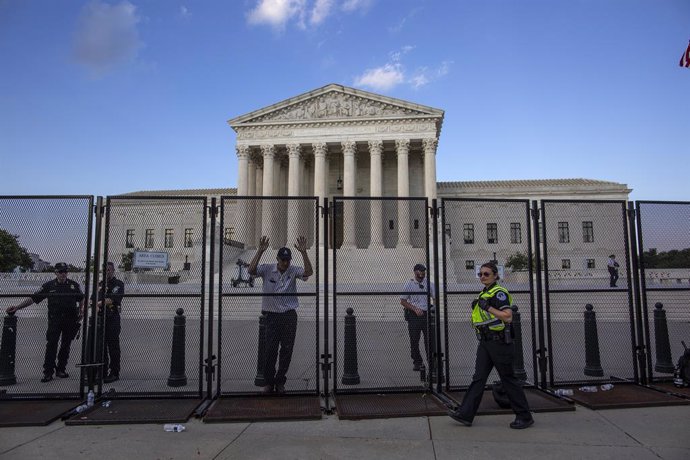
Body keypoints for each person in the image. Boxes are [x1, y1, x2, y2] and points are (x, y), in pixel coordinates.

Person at [448, 261, 534, 429]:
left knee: (508, 380)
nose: (482, 277)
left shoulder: (499, 292)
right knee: (478, 378)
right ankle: (465, 414)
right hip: (486, 342)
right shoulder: (485, 293)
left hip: (499, 342)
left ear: (495, 275)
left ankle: (524, 416)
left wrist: (488, 308)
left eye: (486, 274)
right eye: (480, 274)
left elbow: (508, 317)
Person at [248, 235, 313, 394]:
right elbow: (251, 270)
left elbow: (308, 272)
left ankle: (280, 381)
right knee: (270, 350)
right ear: (277, 259)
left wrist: (304, 253)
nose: (285, 263)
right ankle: (269, 382)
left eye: (287, 260)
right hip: (271, 316)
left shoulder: (293, 270)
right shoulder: (267, 269)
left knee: (286, 350)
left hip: (289, 316)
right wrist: (260, 251)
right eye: (283, 260)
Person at [6, 262, 85, 382]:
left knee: (65, 346)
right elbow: (33, 298)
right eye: (61, 272)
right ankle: (48, 372)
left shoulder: (73, 286)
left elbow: (81, 298)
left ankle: (61, 370)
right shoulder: (49, 286)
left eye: (65, 271)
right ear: (56, 273)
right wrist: (17, 307)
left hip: (70, 320)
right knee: (51, 345)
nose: (63, 274)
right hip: (55, 321)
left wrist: (81, 312)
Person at [400, 263, 436, 372]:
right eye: (420, 272)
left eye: (423, 272)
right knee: (414, 340)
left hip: (426, 314)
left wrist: (433, 308)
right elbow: (403, 301)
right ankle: (417, 362)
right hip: (413, 315)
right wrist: (415, 309)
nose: (422, 274)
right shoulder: (409, 284)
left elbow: (435, 298)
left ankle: (431, 362)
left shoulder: (429, 284)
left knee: (429, 340)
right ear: (415, 272)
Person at [94, 261, 125, 383]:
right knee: (101, 347)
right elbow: (93, 298)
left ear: (113, 271)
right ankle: (102, 371)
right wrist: (97, 303)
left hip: (112, 318)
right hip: (101, 318)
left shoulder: (118, 284)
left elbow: (114, 299)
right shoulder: (100, 284)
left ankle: (114, 372)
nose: (107, 272)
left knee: (113, 347)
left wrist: (99, 302)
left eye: (109, 270)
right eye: (104, 270)